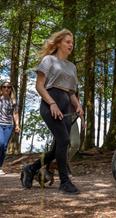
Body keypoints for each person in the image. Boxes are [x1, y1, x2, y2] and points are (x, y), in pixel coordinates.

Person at [20, 29, 84, 194]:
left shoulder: (72, 66)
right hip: (51, 103)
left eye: (72, 42)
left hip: (67, 106)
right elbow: (39, 86)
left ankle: (30, 168)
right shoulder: (48, 60)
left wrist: (78, 106)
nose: (71, 45)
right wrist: (52, 103)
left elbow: (70, 92)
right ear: (58, 43)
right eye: (68, 42)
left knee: (60, 146)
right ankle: (64, 182)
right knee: (63, 140)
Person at [0, 81, 20, 175]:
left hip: (9, 125)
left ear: (11, 89)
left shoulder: (13, 101)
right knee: (1, 143)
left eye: (8, 87)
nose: (6, 88)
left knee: (4, 147)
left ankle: (0, 167)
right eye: (4, 87)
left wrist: (17, 125)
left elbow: (15, 114)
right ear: (1, 88)